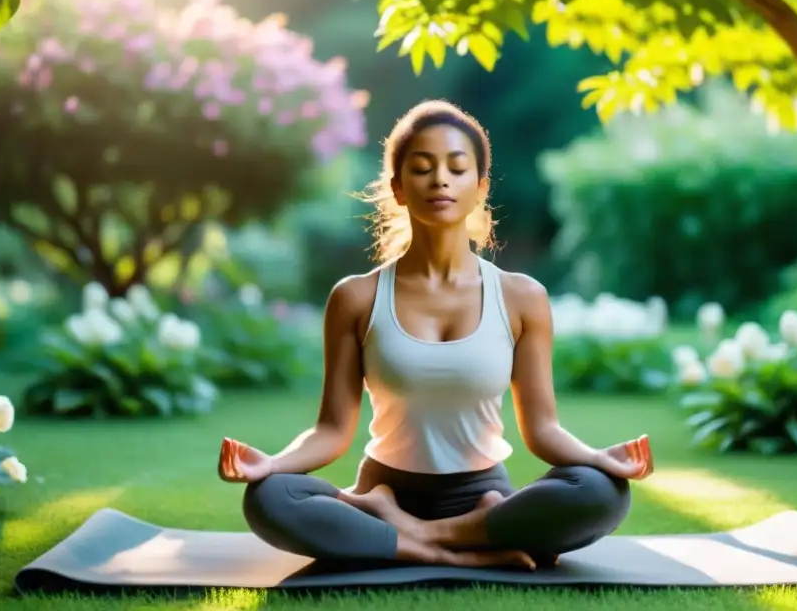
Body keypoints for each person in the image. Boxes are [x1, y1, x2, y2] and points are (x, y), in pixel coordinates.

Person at [217, 99, 654, 570]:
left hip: (484, 496)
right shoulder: (356, 298)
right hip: (383, 489)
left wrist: (597, 458)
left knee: (600, 492)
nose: (440, 179)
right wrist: (271, 465)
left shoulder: (521, 297)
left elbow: (543, 429)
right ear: (399, 188)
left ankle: (412, 537)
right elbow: (331, 430)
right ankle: (457, 551)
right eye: (422, 168)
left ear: (480, 187)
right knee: (270, 497)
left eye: (457, 167)